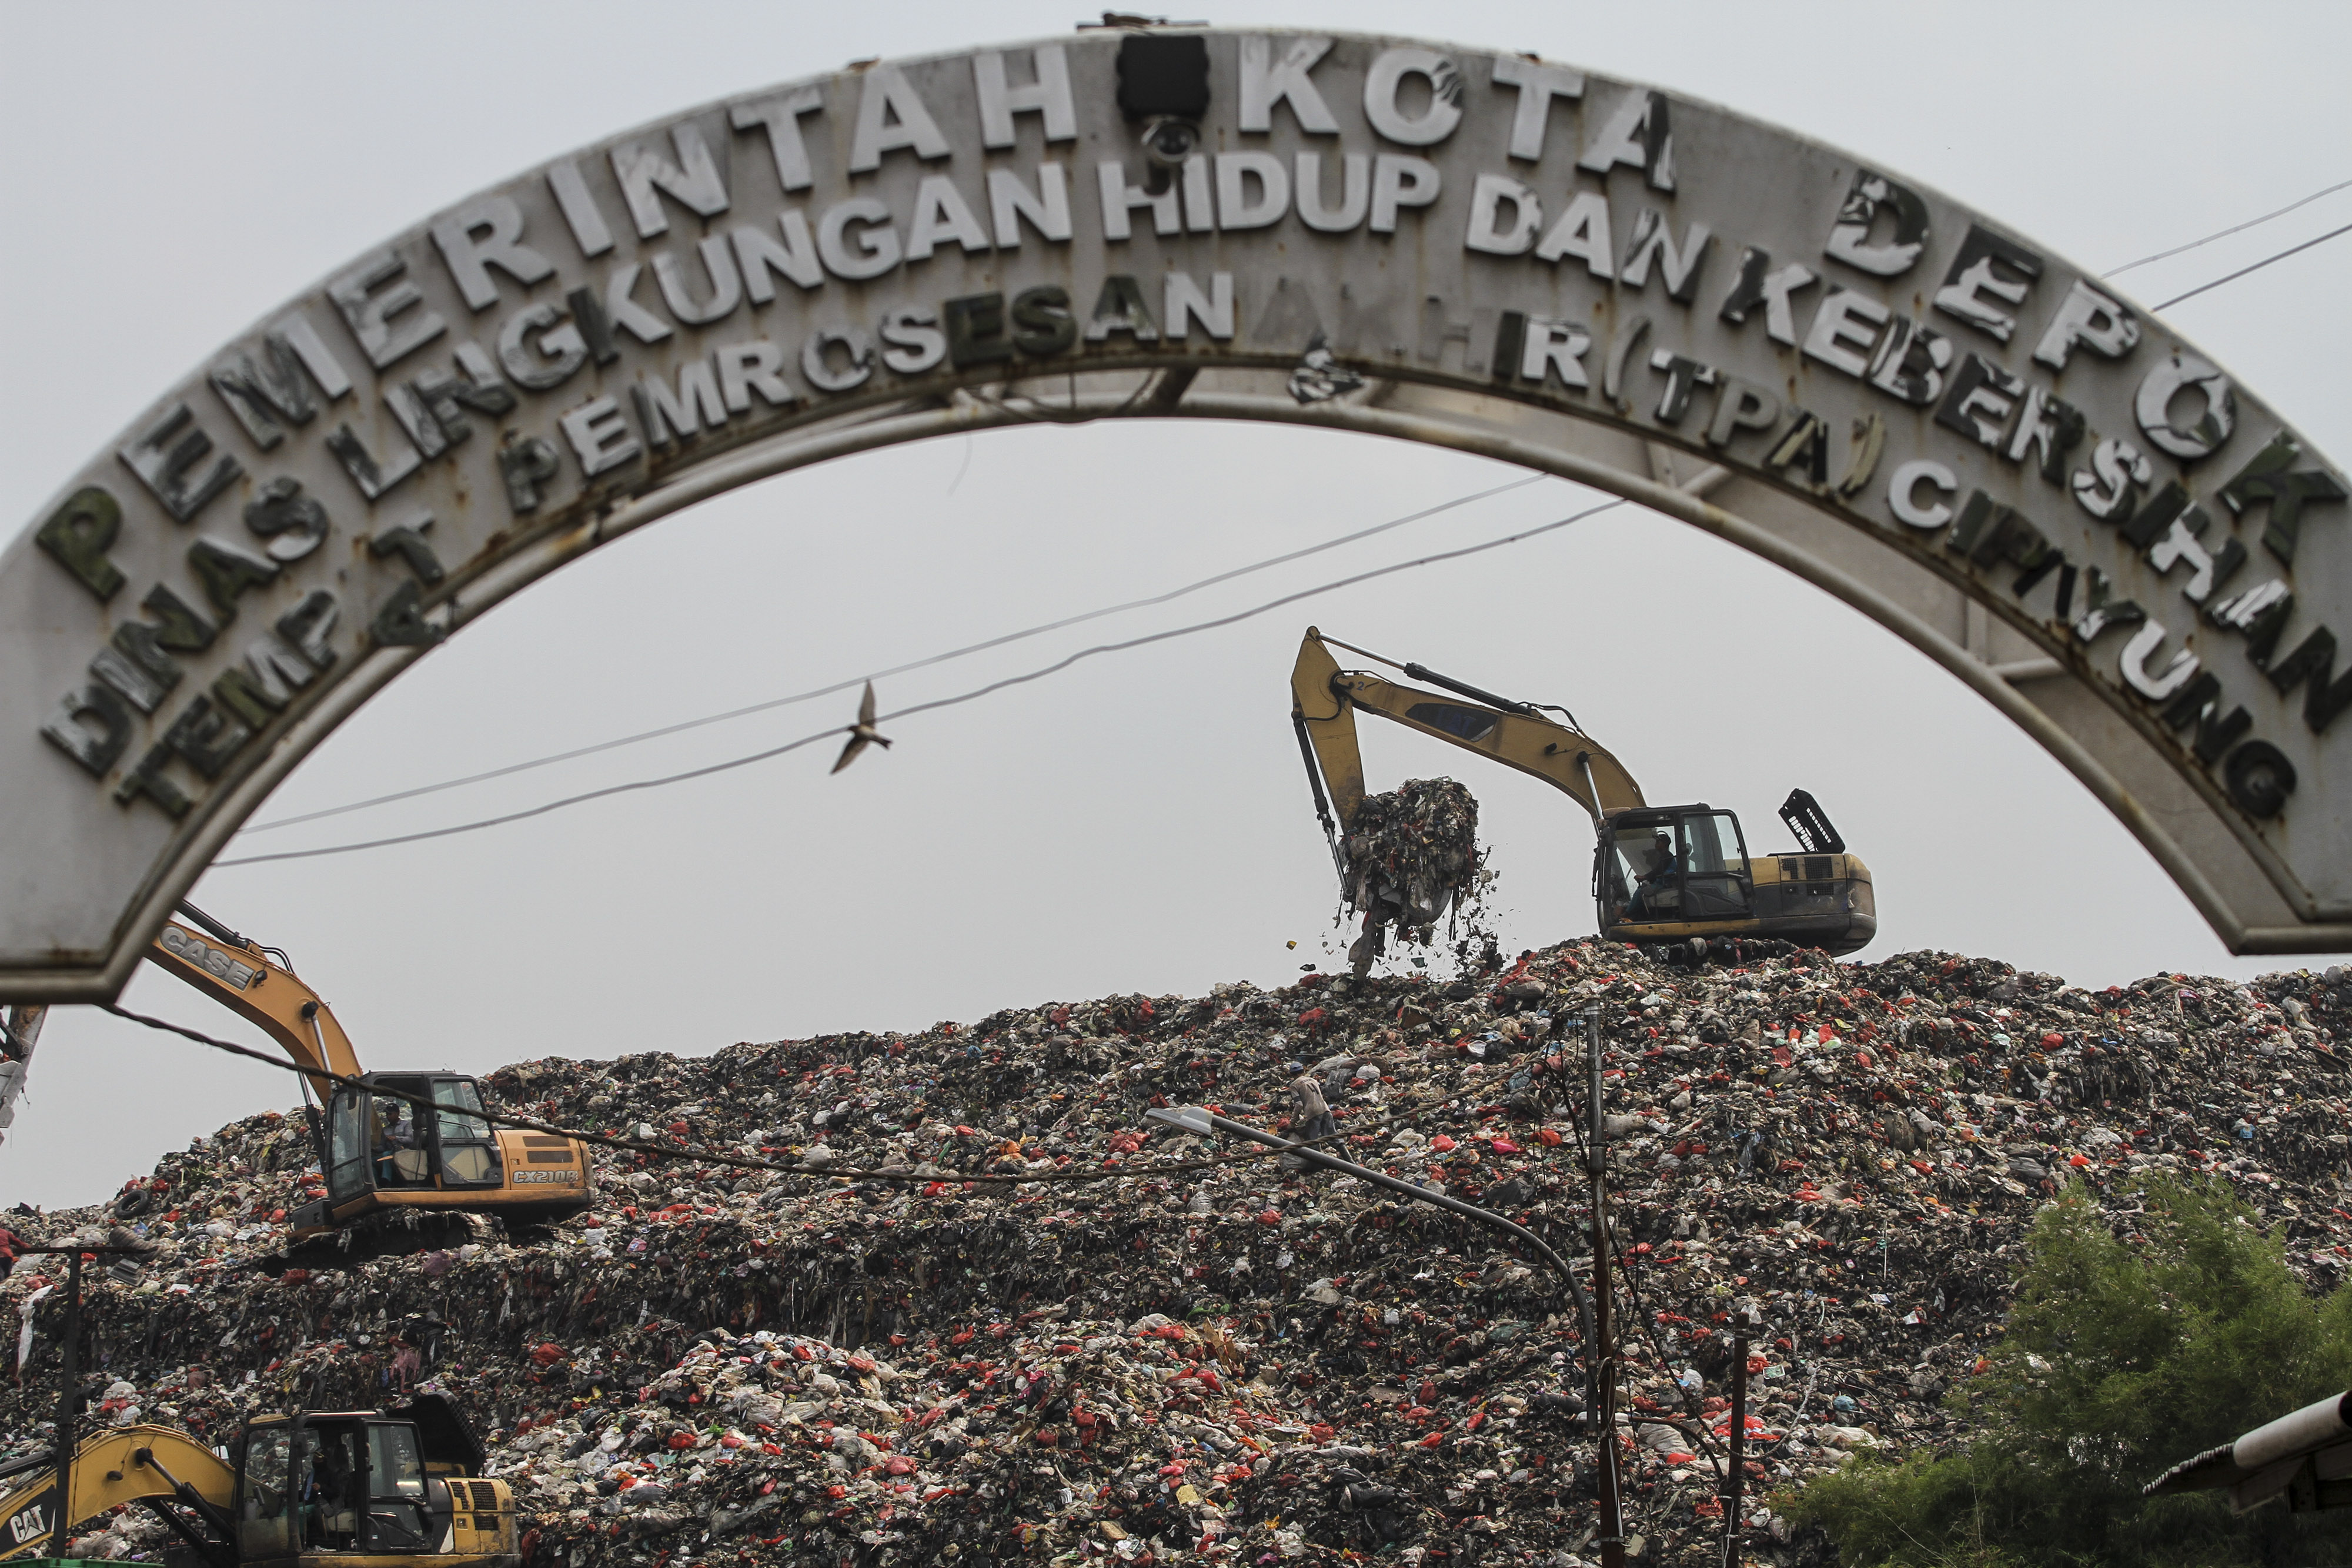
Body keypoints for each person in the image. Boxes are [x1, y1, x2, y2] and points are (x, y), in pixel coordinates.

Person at [1282, 1072, 1337, 1171]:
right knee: (1334, 1137)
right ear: (1303, 1072)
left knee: (1313, 1140)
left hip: (1313, 1111)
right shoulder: (1313, 1080)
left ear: (1292, 1074)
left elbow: (1299, 1105)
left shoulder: (1294, 1085)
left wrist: (1293, 1122)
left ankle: (1317, 1167)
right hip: (1325, 1109)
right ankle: (1351, 1163)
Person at [1628, 831, 1680, 918]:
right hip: (1662, 882)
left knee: (1640, 892)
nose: (1656, 844)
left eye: (1658, 842)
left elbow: (1658, 871)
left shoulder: (1667, 856)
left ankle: (1627, 914)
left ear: (1665, 844)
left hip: (1665, 883)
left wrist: (1644, 877)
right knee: (1643, 887)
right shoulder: (1664, 856)